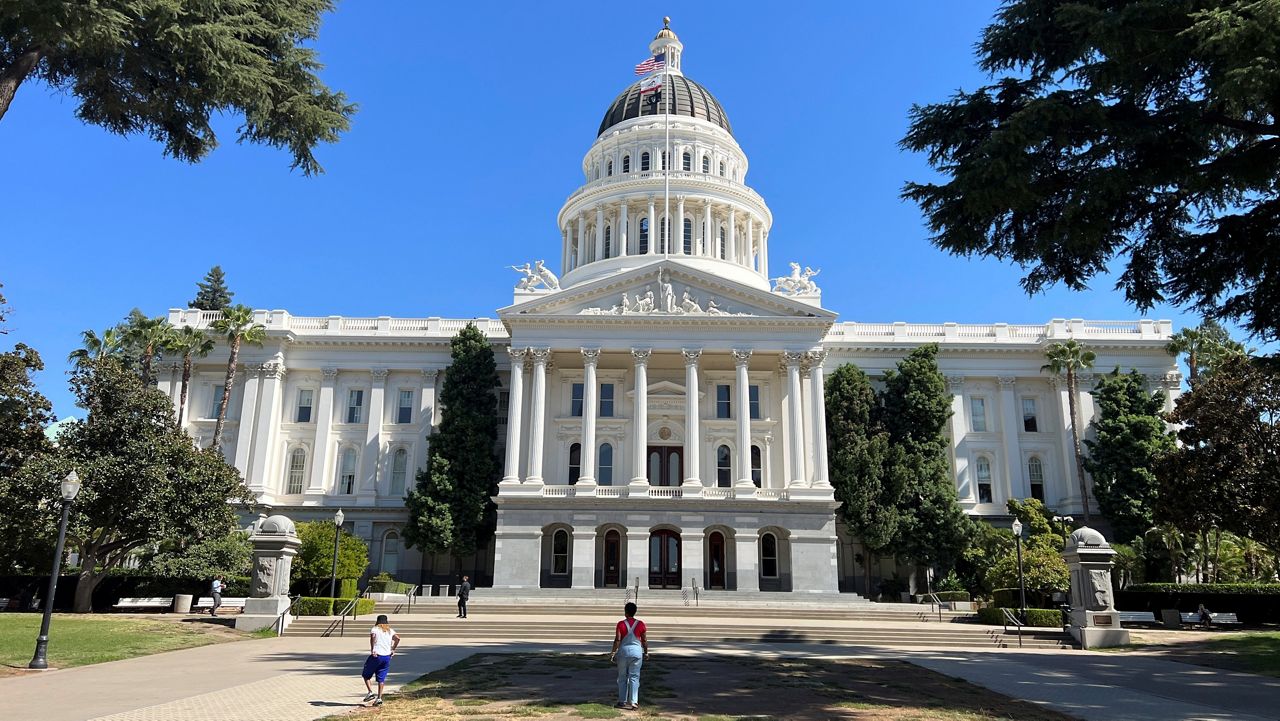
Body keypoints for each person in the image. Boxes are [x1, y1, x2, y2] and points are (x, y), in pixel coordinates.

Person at [609, 602, 648, 710]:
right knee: (634, 677)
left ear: (625, 612)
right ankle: (634, 702)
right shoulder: (640, 624)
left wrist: (613, 652)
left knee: (622, 677)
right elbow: (644, 640)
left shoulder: (621, 624)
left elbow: (617, 640)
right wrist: (646, 652)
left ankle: (622, 701)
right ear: (635, 611)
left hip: (623, 652)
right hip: (636, 653)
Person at [362, 614, 400, 706]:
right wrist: (393, 649)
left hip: (376, 655)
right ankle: (379, 698)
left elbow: (373, 637)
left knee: (366, 675)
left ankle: (370, 692)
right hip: (387, 657)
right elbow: (398, 638)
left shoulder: (375, 629)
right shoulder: (390, 630)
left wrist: (373, 649)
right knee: (381, 678)